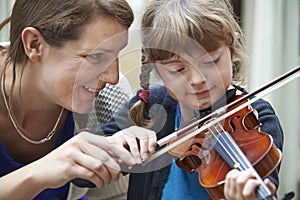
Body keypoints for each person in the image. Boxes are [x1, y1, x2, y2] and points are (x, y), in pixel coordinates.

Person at [99, 0, 284, 199]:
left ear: (231, 50)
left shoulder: (256, 118)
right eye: (178, 70)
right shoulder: (152, 106)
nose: (198, 80)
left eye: (210, 62)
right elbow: (83, 177)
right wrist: (114, 144)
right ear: (154, 68)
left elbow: (264, 181)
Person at [0, 0, 157, 199]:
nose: (113, 77)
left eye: (117, 54)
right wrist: (39, 173)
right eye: (96, 57)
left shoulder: (109, 98)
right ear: (34, 44)